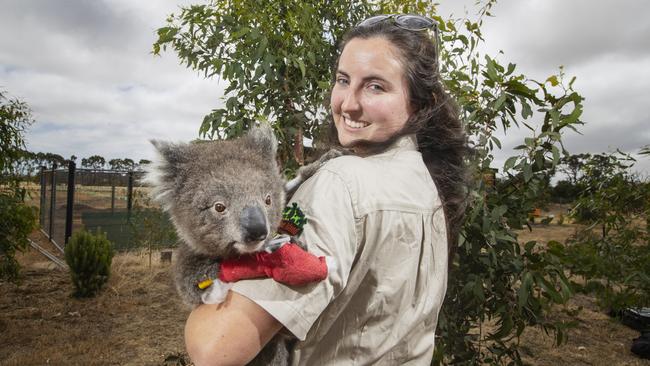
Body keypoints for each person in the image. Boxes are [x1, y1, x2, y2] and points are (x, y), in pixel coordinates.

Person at [184, 14, 468, 365]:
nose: (348, 103)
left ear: (418, 104)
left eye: (375, 86)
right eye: (343, 80)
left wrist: (196, 284)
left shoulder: (339, 183)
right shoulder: (427, 180)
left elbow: (215, 350)